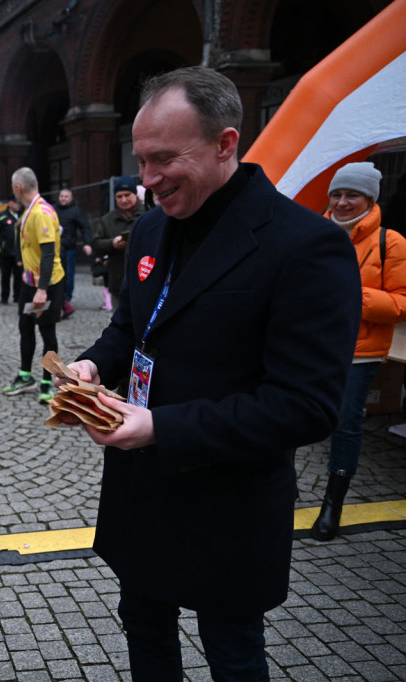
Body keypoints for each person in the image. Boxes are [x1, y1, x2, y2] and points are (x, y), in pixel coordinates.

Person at [63, 67, 360, 680]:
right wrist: (96, 361)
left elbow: (304, 405)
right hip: (142, 495)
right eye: (141, 161)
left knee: (233, 654)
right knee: (145, 633)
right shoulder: (151, 227)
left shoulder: (305, 246)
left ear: (226, 143)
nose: (147, 181)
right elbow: (134, 328)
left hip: (227, 504)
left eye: (165, 159)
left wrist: (158, 427)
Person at [311, 162, 406, 541]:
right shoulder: (315, 234)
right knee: (292, 411)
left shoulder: (391, 242)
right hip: (313, 348)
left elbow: (401, 303)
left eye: (352, 194)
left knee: (345, 426)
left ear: (369, 198)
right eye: (337, 193)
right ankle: (284, 486)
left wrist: (353, 294)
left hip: (360, 352)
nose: (343, 202)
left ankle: (332, 506)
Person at [3, 167, 66, 405]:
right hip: (29, 283)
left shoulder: (41, 212)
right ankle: (25, 376)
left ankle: (47, 383)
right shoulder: (30, 210)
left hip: (46, 284)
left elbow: (49, 253)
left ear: (18, 188)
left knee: (47, 332)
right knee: (25, 326)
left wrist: (41, 289)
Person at [92, 175, 144, 312]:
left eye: (127, 195)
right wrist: (112, 244)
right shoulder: (107, 220)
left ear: (135, 194)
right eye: (119, 197)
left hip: (144, 281)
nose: (124, 200)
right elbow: (96, 245)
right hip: (118, 282)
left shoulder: (148, 214)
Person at [56, 187, 93, 315]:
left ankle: (66, 297)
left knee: (69, 273)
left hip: (69, 248)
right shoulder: (54, 210)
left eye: (66, 196)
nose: (63, 198)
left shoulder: (76, 211)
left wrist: (87, 243)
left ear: (71, 198)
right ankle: (59, 297)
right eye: (61, 196)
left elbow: (85, 227)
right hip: (55, 248)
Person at [0, 198, 22, 304]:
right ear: (10, 203)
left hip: (19, 253)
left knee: (19, 276)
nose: (18, 205)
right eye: (16, 203)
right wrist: (2, 244)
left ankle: (17, 297)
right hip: (6, 253)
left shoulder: (23, 214)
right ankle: (4, 297)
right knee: (5, 276)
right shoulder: (1, 216)